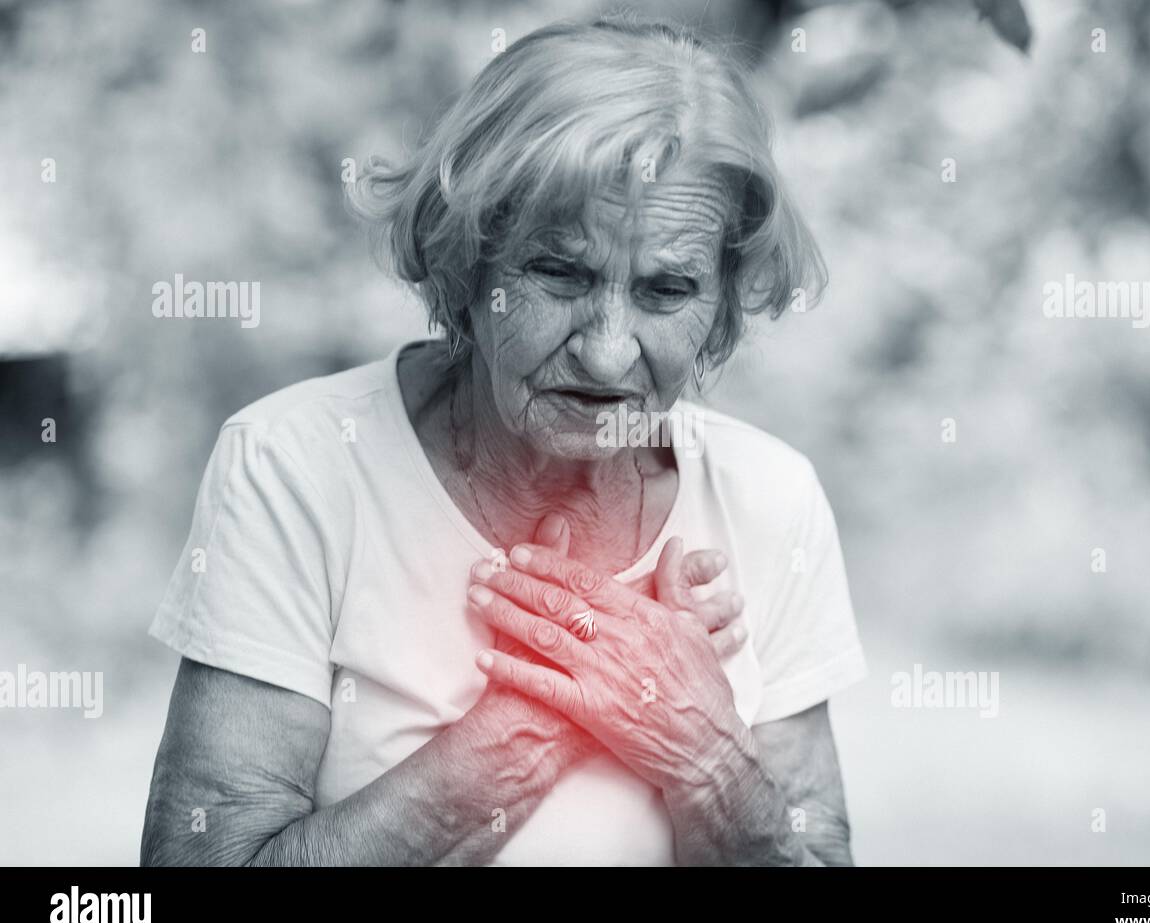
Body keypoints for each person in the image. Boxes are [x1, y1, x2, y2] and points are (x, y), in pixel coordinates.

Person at [141, 15, 866, 866]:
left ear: (725, 305)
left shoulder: (769, 498)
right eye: (559, 273)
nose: (606, 349)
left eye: (667, 291)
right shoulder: (296, 467)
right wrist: (528, 725)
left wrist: (706, 757)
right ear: (467, 262)